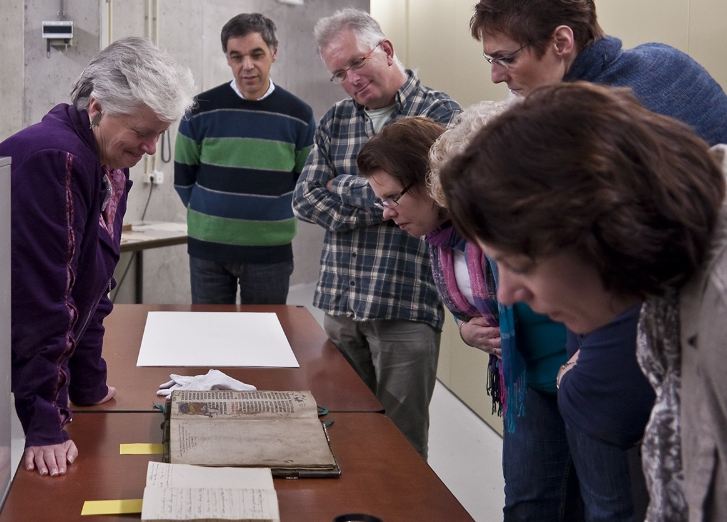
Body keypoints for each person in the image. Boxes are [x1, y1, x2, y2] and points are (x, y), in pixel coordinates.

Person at [440, 81, 727, 522]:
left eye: (519, 262)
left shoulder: (717, 306)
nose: (506, 294)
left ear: (597, 223)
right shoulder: (660, 287)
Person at [357, 110, 590, 521]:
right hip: (523, 378)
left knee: (596, 504)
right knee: (527, 502)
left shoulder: (503, 222)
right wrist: (466, 332)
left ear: (430, 181)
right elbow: (473, 312)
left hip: (581, 369)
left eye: (393, 197)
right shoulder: (439, 241)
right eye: (381, 201)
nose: (386, 212)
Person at [0, 37, 196, 478]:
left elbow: (92, 288)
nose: (149, 148)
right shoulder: (58, 158)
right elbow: (42, 301)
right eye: (142, 132)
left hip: (20, 372)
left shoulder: (107, 163)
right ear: (97, 107)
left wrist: (88, 384)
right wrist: (45, 423)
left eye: (158, 134)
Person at [292, 8, 461, 459]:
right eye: (338, 73)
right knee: (341, 431)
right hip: (341, 302)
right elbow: (305, 199)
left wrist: (345, 187)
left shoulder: (439, 113)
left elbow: (441, 201)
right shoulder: (335, 121)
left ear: (385, 49)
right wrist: (390, 201)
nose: (350, 79)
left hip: (403, 301)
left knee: (401, 442)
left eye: (355, 63)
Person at [174, 13, 315, 305]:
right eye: (236, 56)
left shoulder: (298, 115)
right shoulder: (199, 110)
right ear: (227, 58)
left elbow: (305, 182)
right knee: (210, 339)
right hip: (208, 250)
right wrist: (215, 217)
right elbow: (183, 179)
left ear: (274, 53)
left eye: (256, 54)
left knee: (264, 342)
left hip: (270, 253)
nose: (247, 66)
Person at [469, 0, 727, 146]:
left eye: (507, 59)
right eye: (491, 60)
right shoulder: (666, 57)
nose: (496, 76)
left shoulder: (580, 125)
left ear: (561, 42)